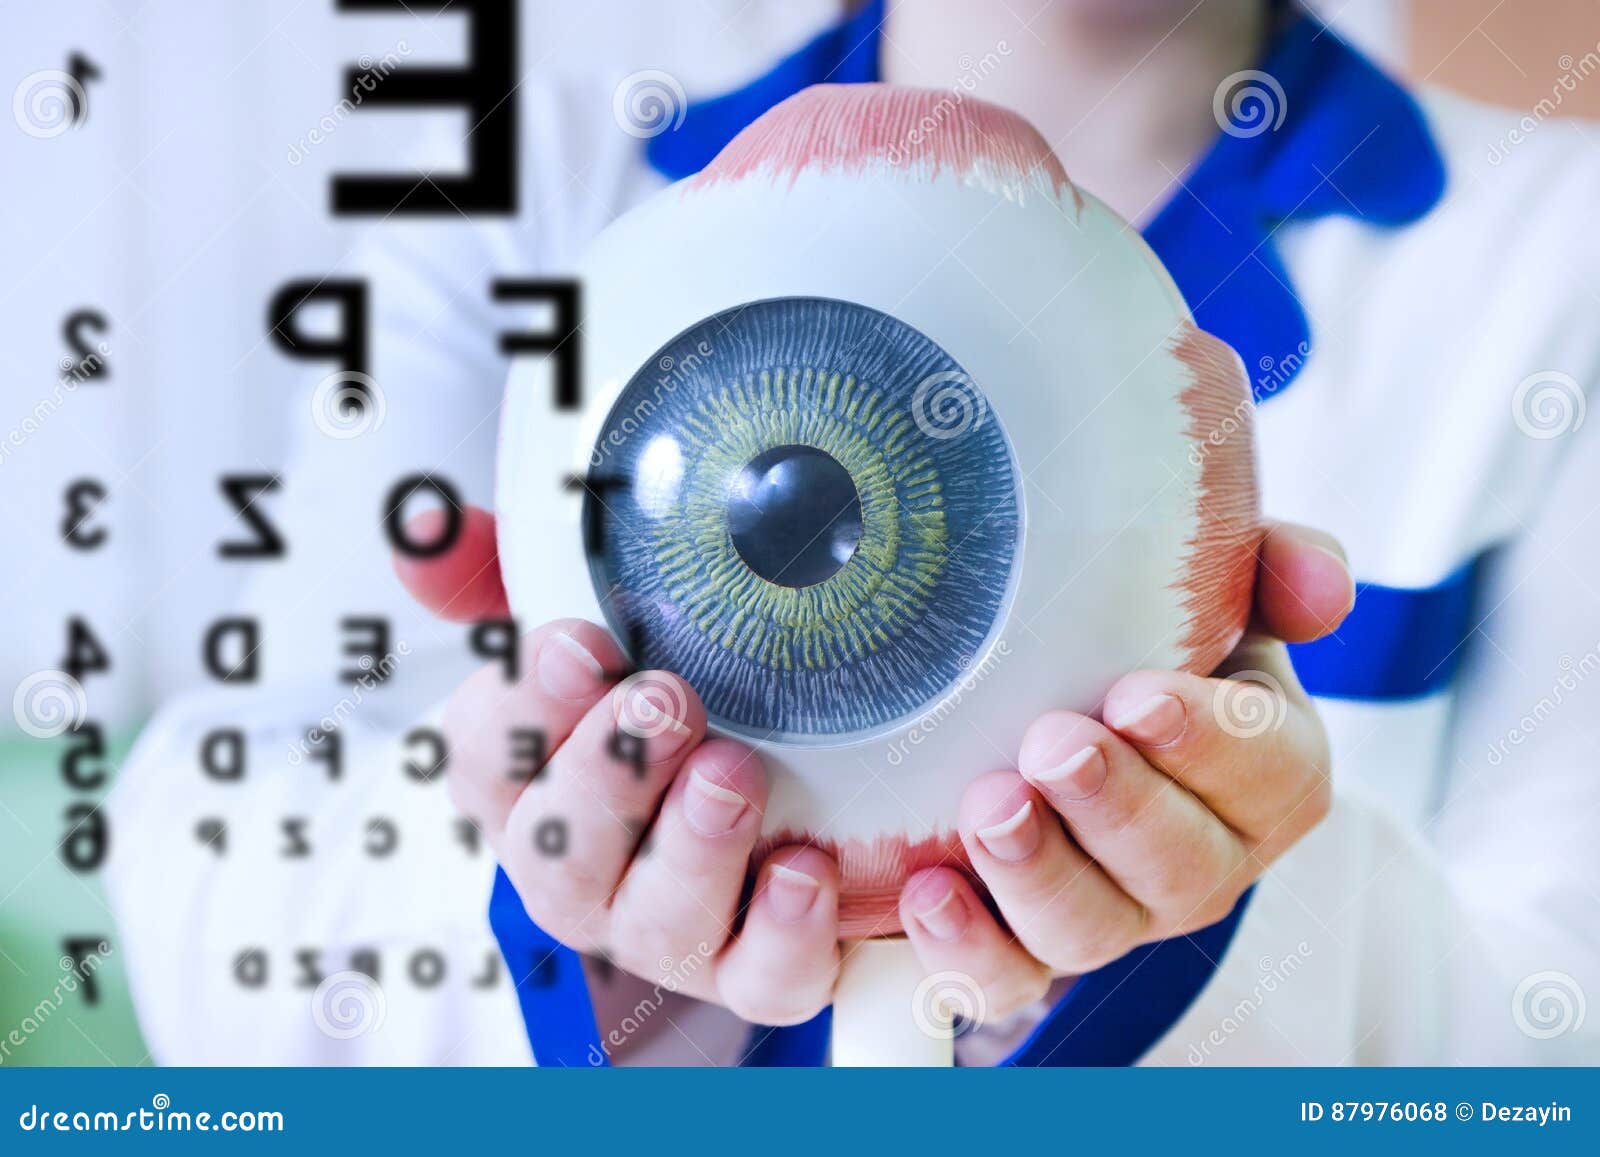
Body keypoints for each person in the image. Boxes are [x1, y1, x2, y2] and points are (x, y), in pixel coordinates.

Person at [108, 0, 1600, 1065]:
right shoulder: (519, 198)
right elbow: (212, 857)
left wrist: (1192, 931)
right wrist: (579, 934)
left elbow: (1558, 1036)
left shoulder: (1563, 262)